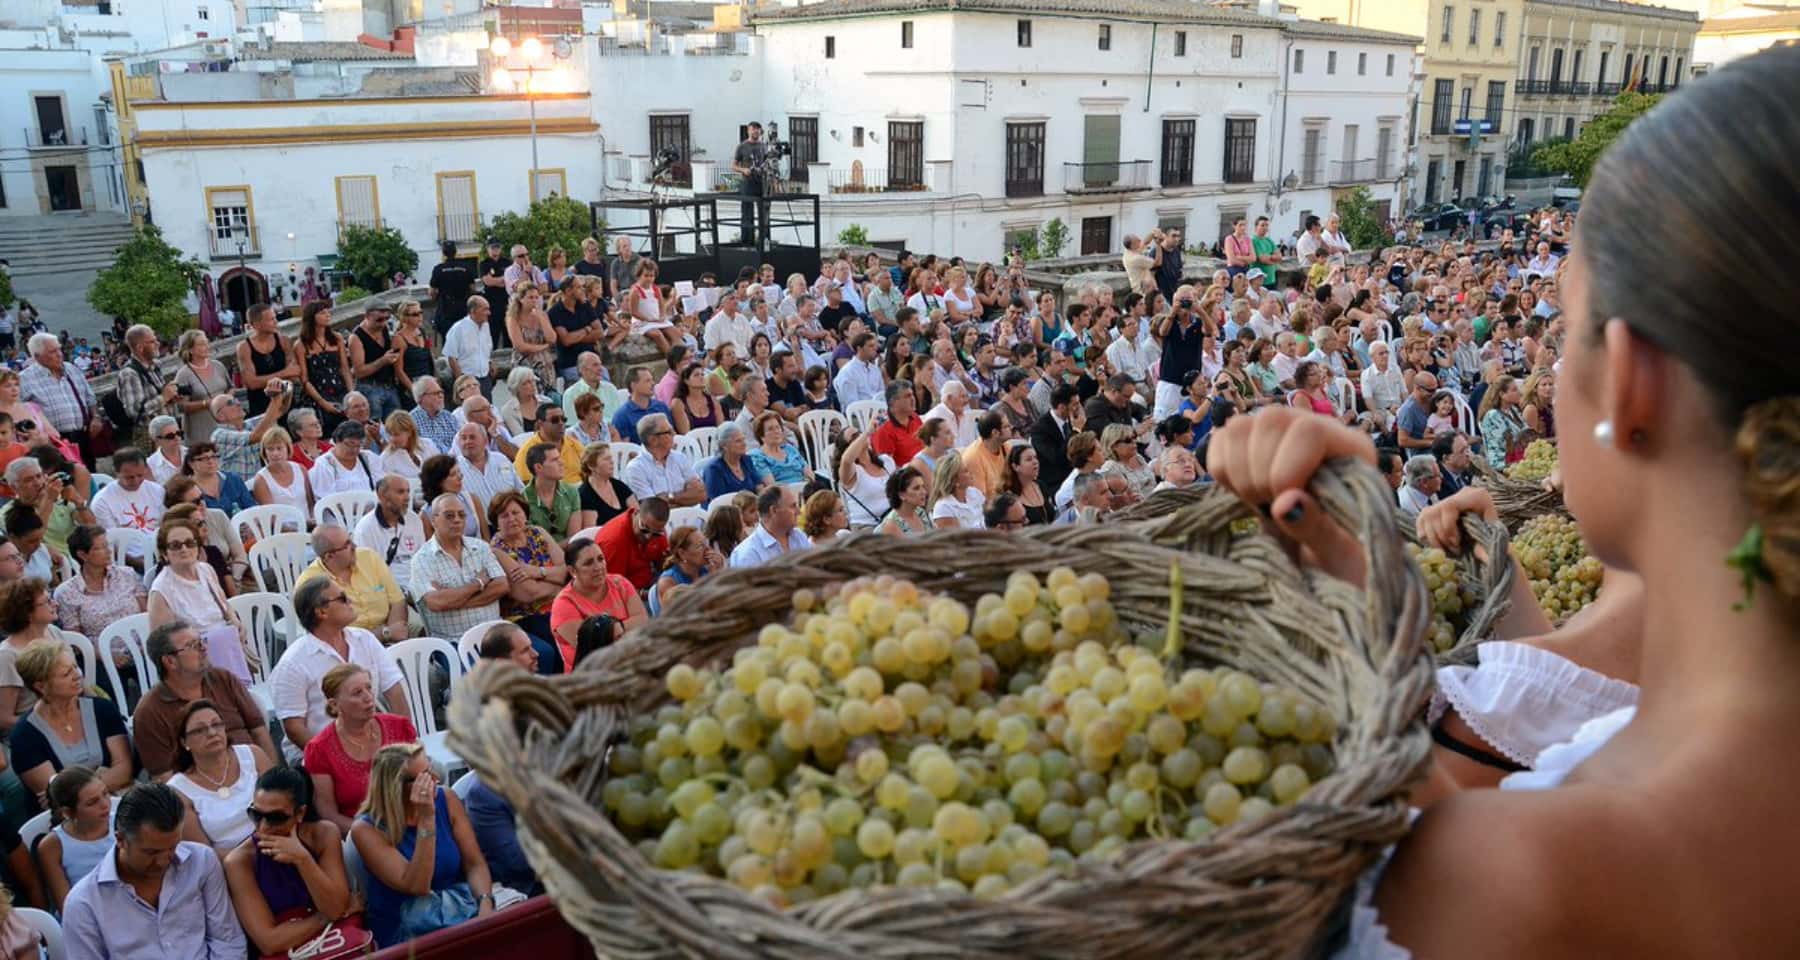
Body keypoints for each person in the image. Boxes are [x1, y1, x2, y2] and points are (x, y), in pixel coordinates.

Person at [353, 744, 499, 947]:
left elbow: (475, 864)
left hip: (459, 906)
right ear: (397, 788)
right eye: (425, 776)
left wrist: (485, 903)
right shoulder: (366, 830)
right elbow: (418, 886)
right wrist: (427, 819)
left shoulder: (447, 798)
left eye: (431, 769)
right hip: (409, 927)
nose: (436, 778)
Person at [224, 765, 363, 957]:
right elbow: (269, 942)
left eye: (275, 818)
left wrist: (303, 859)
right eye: (256, 815)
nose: (263, 828)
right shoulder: (240, 861)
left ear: (300, 813)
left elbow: (334, 906)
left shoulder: (323, 834)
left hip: (338, 946)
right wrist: (324, 917)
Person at [270, 577, 410, 758]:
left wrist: (403, 741)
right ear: (322, 612)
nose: (350, 601)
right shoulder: (292, 664)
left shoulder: (364, 639)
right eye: (342, 598)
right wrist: (338, 761)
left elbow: (395, 691)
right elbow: (294, 729)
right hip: (319, 755)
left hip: (370, 743)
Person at [9, 642, 132, 805]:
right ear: (41, 686)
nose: (77, 675)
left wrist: (75, 792)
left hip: (116, 801)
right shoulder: (24, 735)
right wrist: (104, 783)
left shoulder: (102, 709)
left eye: (75, 667)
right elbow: (57, 799)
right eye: (66, 673)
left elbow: (124, 770)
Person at [304, 663, 418, 834]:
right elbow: (329, 814)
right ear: (334, 705)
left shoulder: (399, 727)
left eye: (369, 688)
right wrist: (372, 835)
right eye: (357, 693)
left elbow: (424, 777)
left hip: (411, 821)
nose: (368, 697)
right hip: (361, 834)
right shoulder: (320, 750)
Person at [148, 516, 255, 677]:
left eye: (190, 543)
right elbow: (163, 647)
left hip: (228, 652)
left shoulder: (206, 570)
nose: (184, 549)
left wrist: (235, 622)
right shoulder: (161, 591)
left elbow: (225, 606)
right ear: (164, 553)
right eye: (176, 546)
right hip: (194, 668)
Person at [167, 699, 272, 855]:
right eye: (199, 730)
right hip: (228, 863)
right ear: (184, 742)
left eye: (216, 724)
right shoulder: (178, 790)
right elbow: (204, 854)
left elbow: (285, 805)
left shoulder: (253, 755)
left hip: (277, 844)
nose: (212, 733)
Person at [486, 492, 567, 673]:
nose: (511, 519)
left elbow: (567, 571)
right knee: (558, 642)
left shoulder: (538, 533)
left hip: (559, 606)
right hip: (526, 617)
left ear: (525, 514)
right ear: (496, 522)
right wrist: (556, 583)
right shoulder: (497, 550)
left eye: (516, 512)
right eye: (504, 516)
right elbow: (529, 593)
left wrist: (537, 572)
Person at [297, 524, 410, 643]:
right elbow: (331, 637)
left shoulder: (368, 557)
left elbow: (397, 601)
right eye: (347, 545)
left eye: (351, 539)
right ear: (329, 556)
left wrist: (394, 636)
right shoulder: (311, 584)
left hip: (390, 629)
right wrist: (385, 634)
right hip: (352, 645)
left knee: (419, 631)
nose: (354, 546)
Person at [548, 537, 648, 669]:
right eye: (588, 563)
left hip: (631, 662)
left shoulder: (620, 583)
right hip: (593, 673)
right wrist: (624, 628)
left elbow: (642, 622)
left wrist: (605, 631)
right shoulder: (564, 604)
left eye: (601, 559)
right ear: (572, 571)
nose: (598, 567)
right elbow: (592, 646)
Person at [0, 578, 75, 736]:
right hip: (33, 732)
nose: (55, 604)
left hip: (71, 716)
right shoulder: (7, 656)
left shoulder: (54, 632)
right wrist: (51, 724)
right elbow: (4, 719)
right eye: (47, 602)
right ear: (27, 613)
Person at [38, 766, 115, 912]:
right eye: (92, 802)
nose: (105, 804)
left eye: (105, 793)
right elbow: (67, 907)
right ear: (68, 812)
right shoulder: (53, 846)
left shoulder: (124, 822)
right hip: (86, 914)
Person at [19, 332, 103, 463]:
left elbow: (90, 399)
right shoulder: (24, 379)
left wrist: (96, 417)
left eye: (59, 349)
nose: (59, 354)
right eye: (52, 351)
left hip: (83, 436)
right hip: (53, 443)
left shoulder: (71, 369)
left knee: (89, 472)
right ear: (37, 357)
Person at [623, 413, 707, 506]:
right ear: (653, 440)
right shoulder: (636, 468)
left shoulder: (680, 458)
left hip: (689, 514)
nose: (674, 434)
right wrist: (686, 496)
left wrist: (670, 497)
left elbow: (701, 495)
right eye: (669, 432)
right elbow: (653, 507)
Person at [593, 496, 670, 591]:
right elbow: (612, 588)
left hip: (650, 581)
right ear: (636, 513)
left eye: (656, 534)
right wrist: (646, 594)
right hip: (626, 591)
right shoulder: (614, 542)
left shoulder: (655, 527)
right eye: (644, 529)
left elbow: (664, 564)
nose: (648, 537)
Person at [730, 485, 811, 566]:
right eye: (793, 506)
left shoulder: (799, 535)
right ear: (774, 510)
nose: (798, 511)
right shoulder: (748, 554)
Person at [651, 526, 722, 616]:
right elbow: (686, 616)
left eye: (706, 543)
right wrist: (713, 579)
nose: (708, 549)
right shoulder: (668, 582)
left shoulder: (706, 569)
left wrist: (720, 573)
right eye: (700, 546)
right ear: (682, 553)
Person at [513, 401, 585, 483]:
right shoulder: (528, 451)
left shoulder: (574, 444)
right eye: (555, 420)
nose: (561, 423)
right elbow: (527, 483)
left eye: (563, 419)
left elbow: (588, 473)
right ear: (540, 423)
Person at [520, 443, 581, 538]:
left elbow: (574, 538)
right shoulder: (522, 499)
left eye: (559, 458)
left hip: (571, 546)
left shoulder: (571, 492)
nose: (562, 463)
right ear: (538, 467)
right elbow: (530, 540)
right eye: (555, 460)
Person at [575, 440, 637, 530]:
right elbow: (590, 531)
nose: (612, 462)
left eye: (611, 458)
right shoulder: (585, 494)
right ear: (591, 466)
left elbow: (638, 514)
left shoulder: (618, 485)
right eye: (606, 459)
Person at [702, 422, 770, 503]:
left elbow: (759, 486)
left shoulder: (746, 460)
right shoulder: (714, 469)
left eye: (743, 439)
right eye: (738, 441)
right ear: (724, 446)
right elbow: (717, 501)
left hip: (750, 507)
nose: (744, 444)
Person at [444, 296, 496, 393]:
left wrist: (489, 363)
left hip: (485, 378)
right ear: (473, 311)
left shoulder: (486, 326)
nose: (489, 313)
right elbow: (451, 357)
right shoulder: (458, 328)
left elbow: (486, 349)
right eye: (485, 309)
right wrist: (461, 382)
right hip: (467, 380)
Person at [1478, 374, 1529, 469]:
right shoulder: (1493, 416)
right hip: (1502, 464)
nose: (1519, 393)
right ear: (1502, 394)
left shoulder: (1513, 410)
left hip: (1519, 459)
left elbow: (1526, 432)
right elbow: (1502, 446)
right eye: (1514, 390)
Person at [379, 410, 438, 486]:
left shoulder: (428, 444)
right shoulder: (386, 458)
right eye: (390, 434)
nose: (392, 439)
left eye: (396, 434)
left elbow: (441, 471)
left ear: (409, 432)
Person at [1397, 454, 1442, 519]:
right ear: (1424, 482)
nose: (1442, 476)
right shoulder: (1407, 508)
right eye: (1438, 475)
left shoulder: (1428, 491)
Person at [145, 415, 185, 484]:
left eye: (179, 433)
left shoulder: (193, 454)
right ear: (157, 440)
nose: (177, 438)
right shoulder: (150, 465)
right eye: (170, 436)